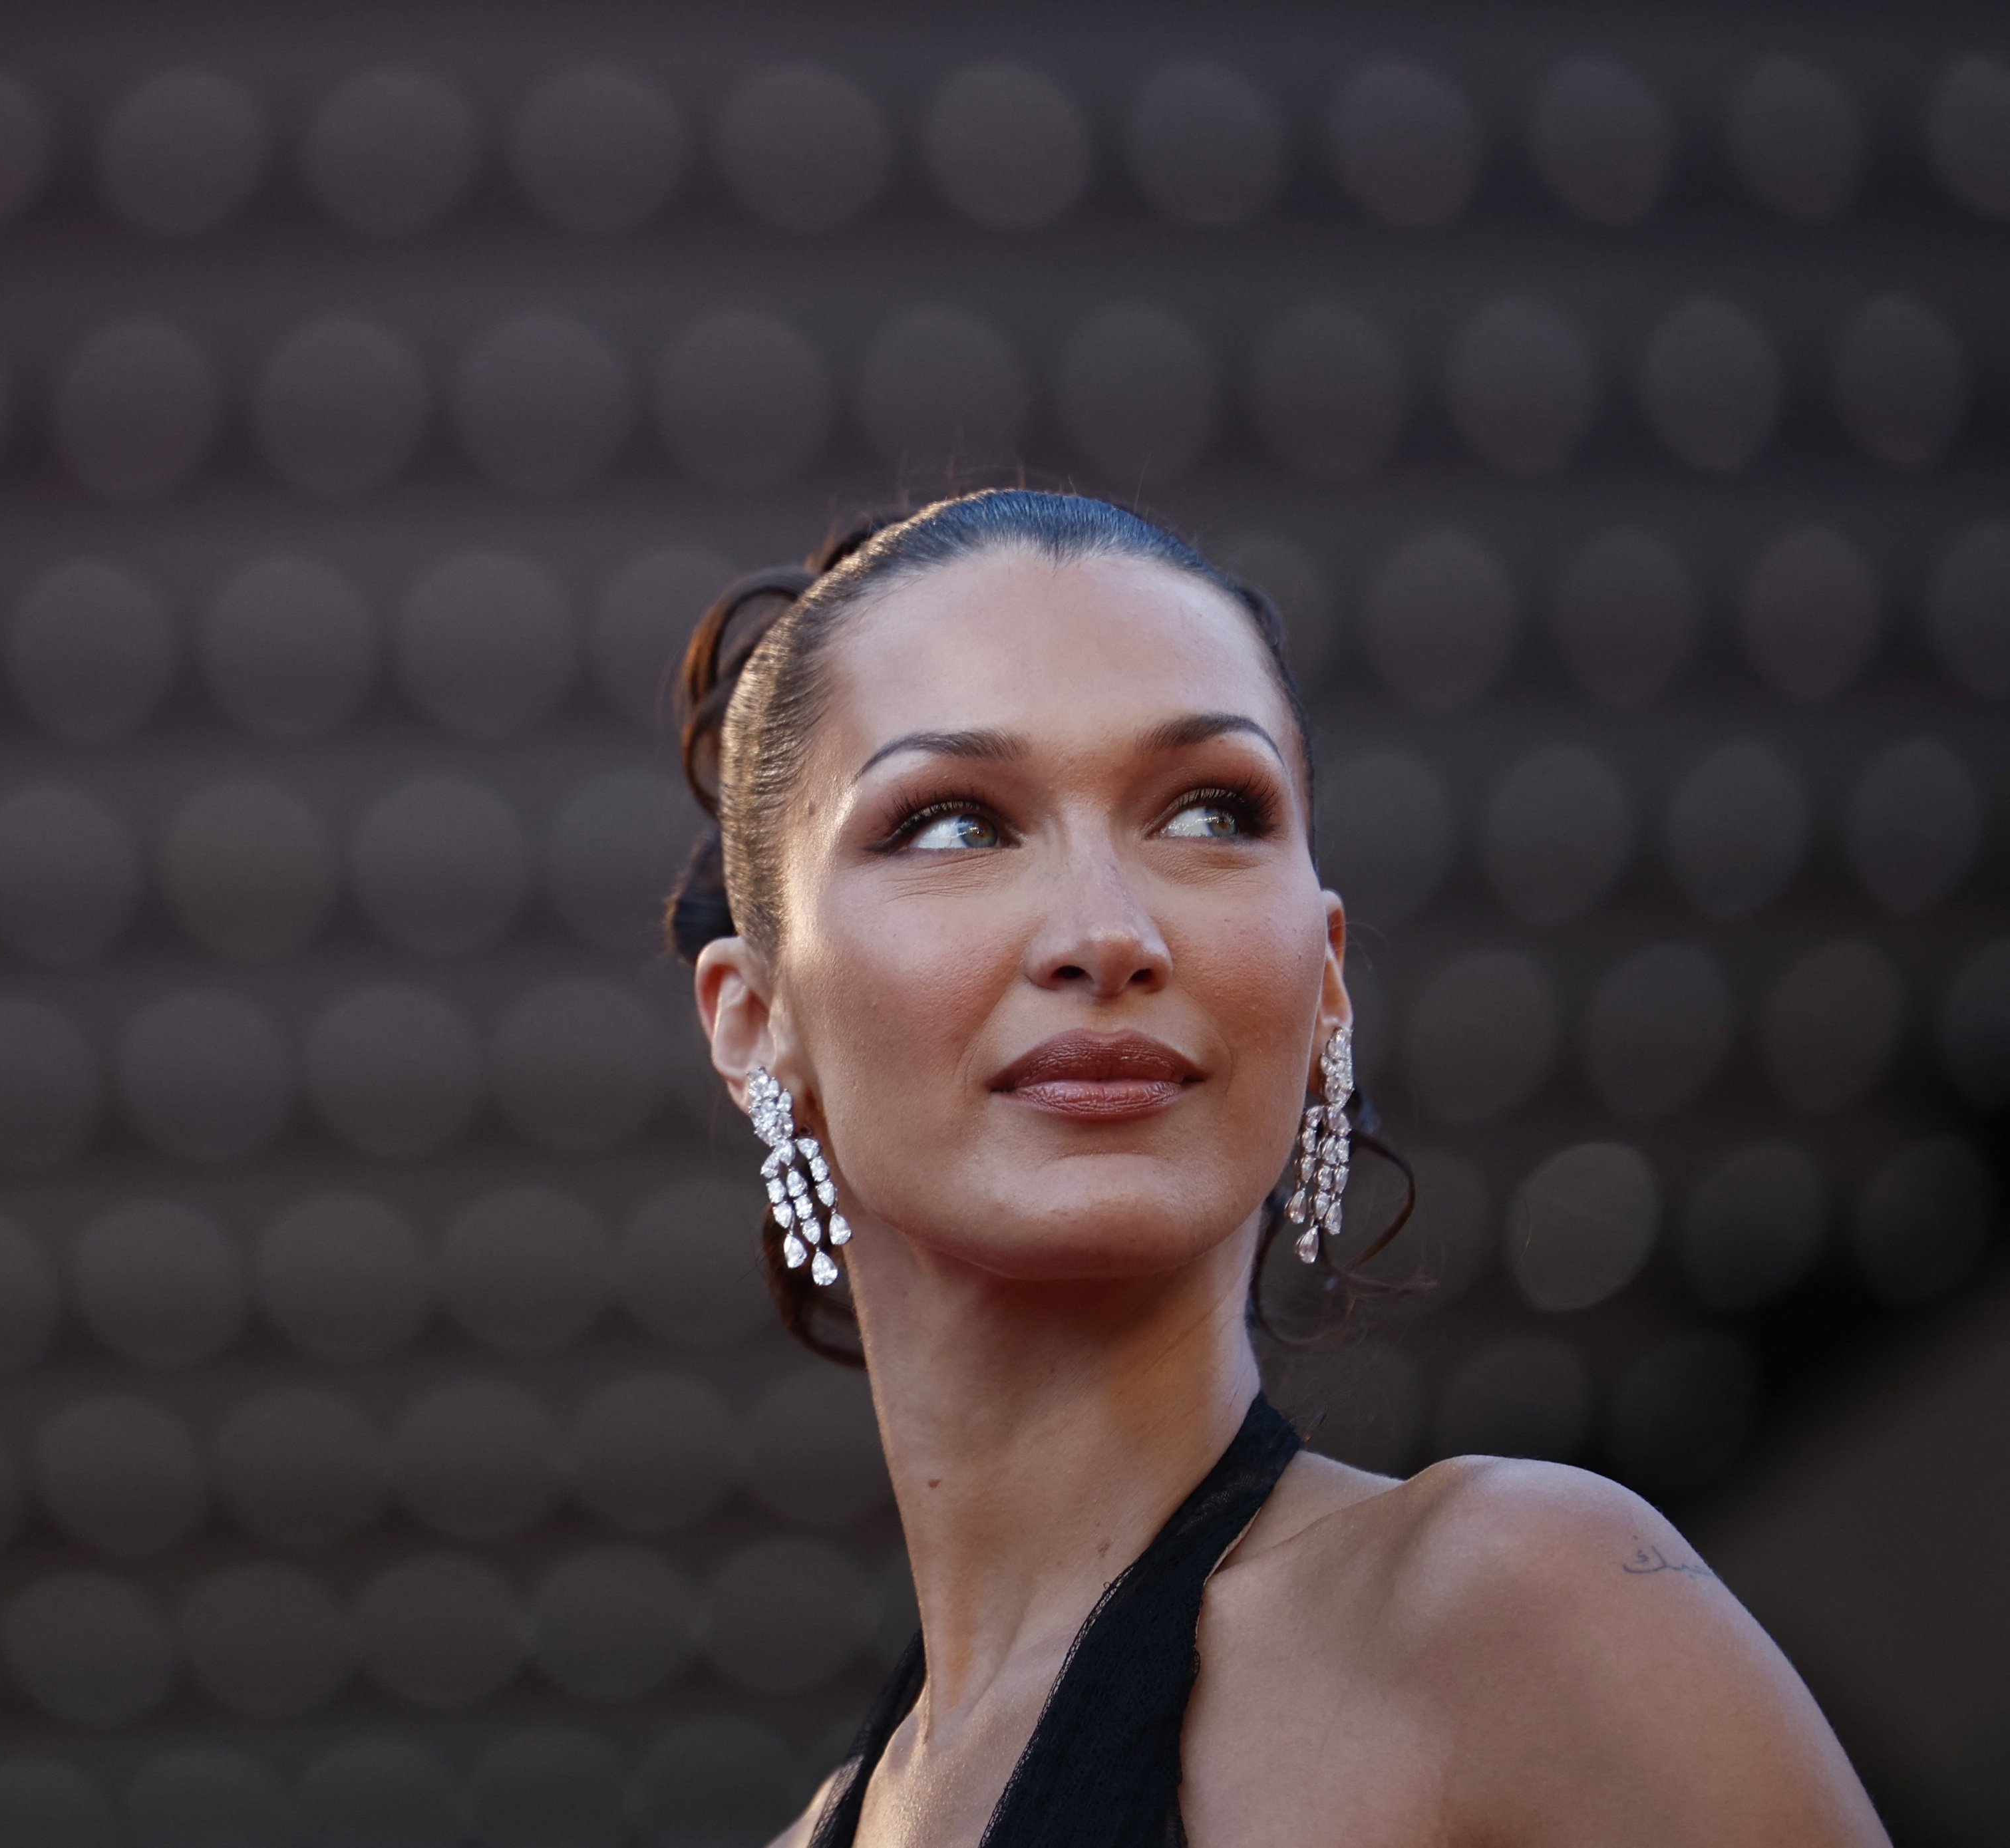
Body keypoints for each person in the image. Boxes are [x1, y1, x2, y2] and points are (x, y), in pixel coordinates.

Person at [661, 489, 1886, 1847]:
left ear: (1326, 985)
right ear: (754, 1022)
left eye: (1206, 813)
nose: (1105, 933)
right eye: (955, 823)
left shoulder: (1516, 1614)